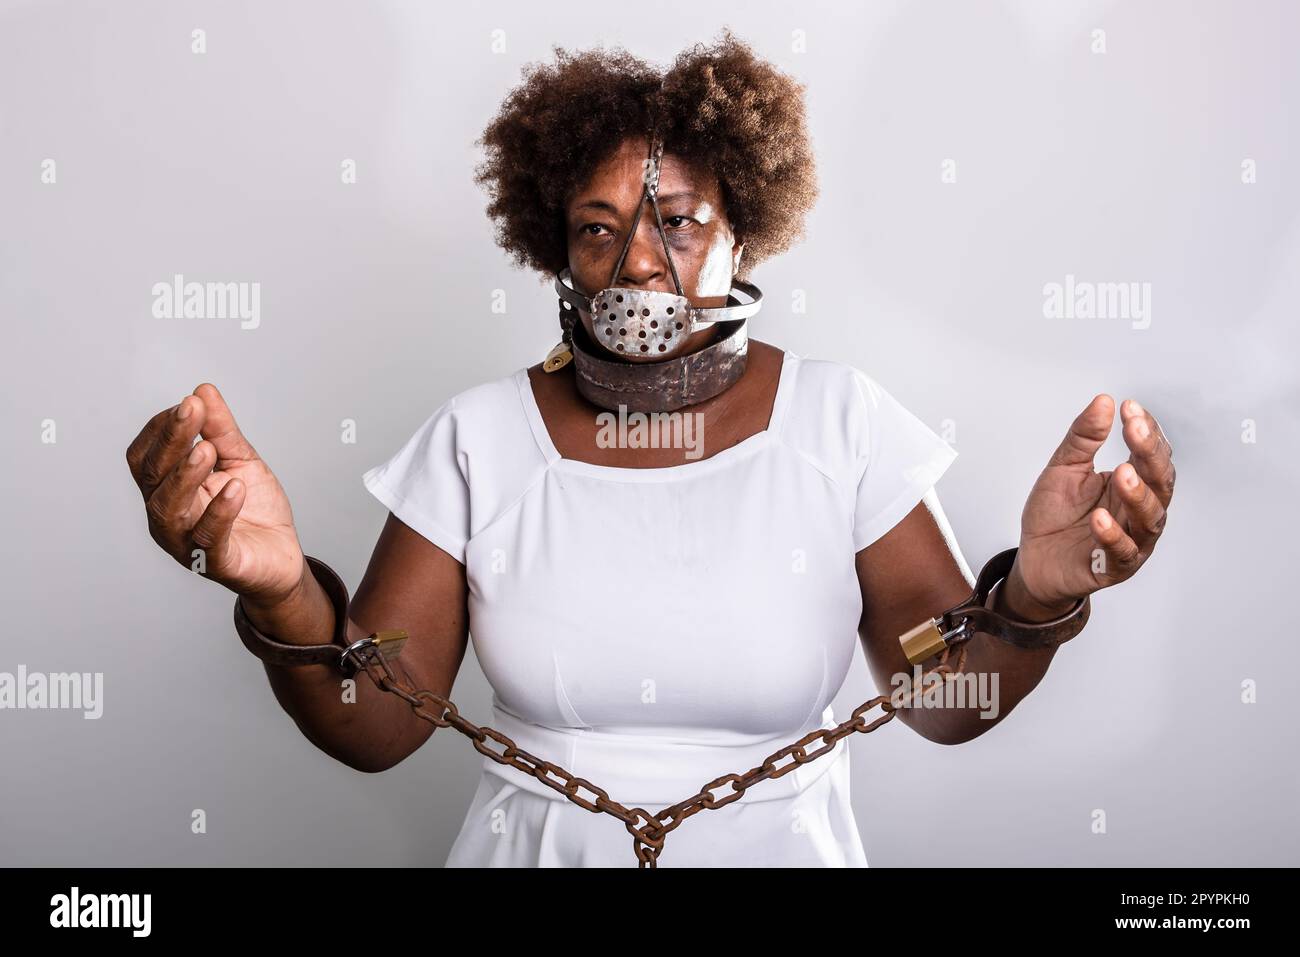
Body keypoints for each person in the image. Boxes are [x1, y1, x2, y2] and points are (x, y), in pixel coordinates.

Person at [124, 32, 1174, 867]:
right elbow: (373, 726)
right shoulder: (479, 438)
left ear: (741, 235)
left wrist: (1034, 596)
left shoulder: (842, 425)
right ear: (558, 250)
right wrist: (275, 594)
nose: (635, 258)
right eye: (597, 227)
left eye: (675, 222)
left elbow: (947, 705)